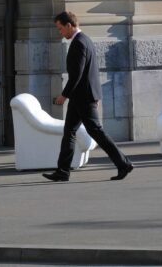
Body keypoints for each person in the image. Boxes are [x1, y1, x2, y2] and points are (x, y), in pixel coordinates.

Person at [43, 11, 133, 182]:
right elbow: (91, 71)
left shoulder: (79, 43)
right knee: (69, 131)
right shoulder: (86, 40)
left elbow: (77, 74)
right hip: (82, 97)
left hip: (82, 98)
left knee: (96, 132)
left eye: (61, 28)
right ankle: (63, 170)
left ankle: (123, 164)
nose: (60, 32)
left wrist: (64, 95)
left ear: (69, 25)